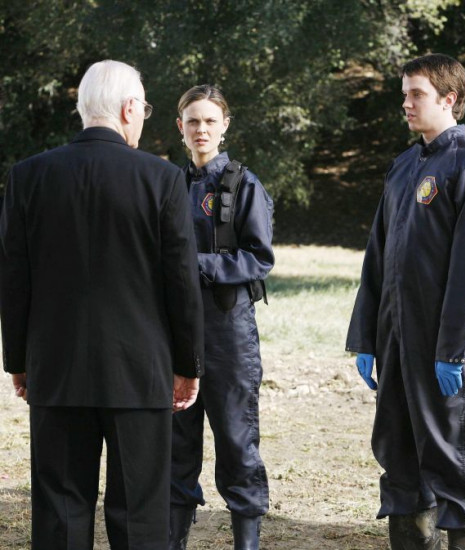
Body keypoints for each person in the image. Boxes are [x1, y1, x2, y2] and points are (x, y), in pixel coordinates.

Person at [0, 60, 205, 549]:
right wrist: (187, 365)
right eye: (145, 110)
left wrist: (19, 361)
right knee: (139, 513)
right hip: (139, 370)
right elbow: (181, 282)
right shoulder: (162, 179)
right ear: (129, 109)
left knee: (60, 511)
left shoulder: (28, 176)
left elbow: (13, 277)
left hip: (56, 365)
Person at [346, 54, 465, 550]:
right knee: (398, 452)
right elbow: (377, 257)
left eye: (416, 94)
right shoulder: (403, 167)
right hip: (396, 340)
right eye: (404, 94)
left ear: (449, 98)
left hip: (445, 347)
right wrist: (367, 338)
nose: (406, 103)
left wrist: (452, 349)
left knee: (452, 458)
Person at [169, 85, 274, 550]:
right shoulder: (167, 184)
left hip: (228, 334)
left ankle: (246, 541)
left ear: (225, 125)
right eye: (193, 121)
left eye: (210, 121)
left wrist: (197, 265)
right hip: (173, 333)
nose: (201, 129)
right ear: (180, 127)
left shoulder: (244, 185)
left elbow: (260, 258)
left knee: (236, 443)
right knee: (175, 447)